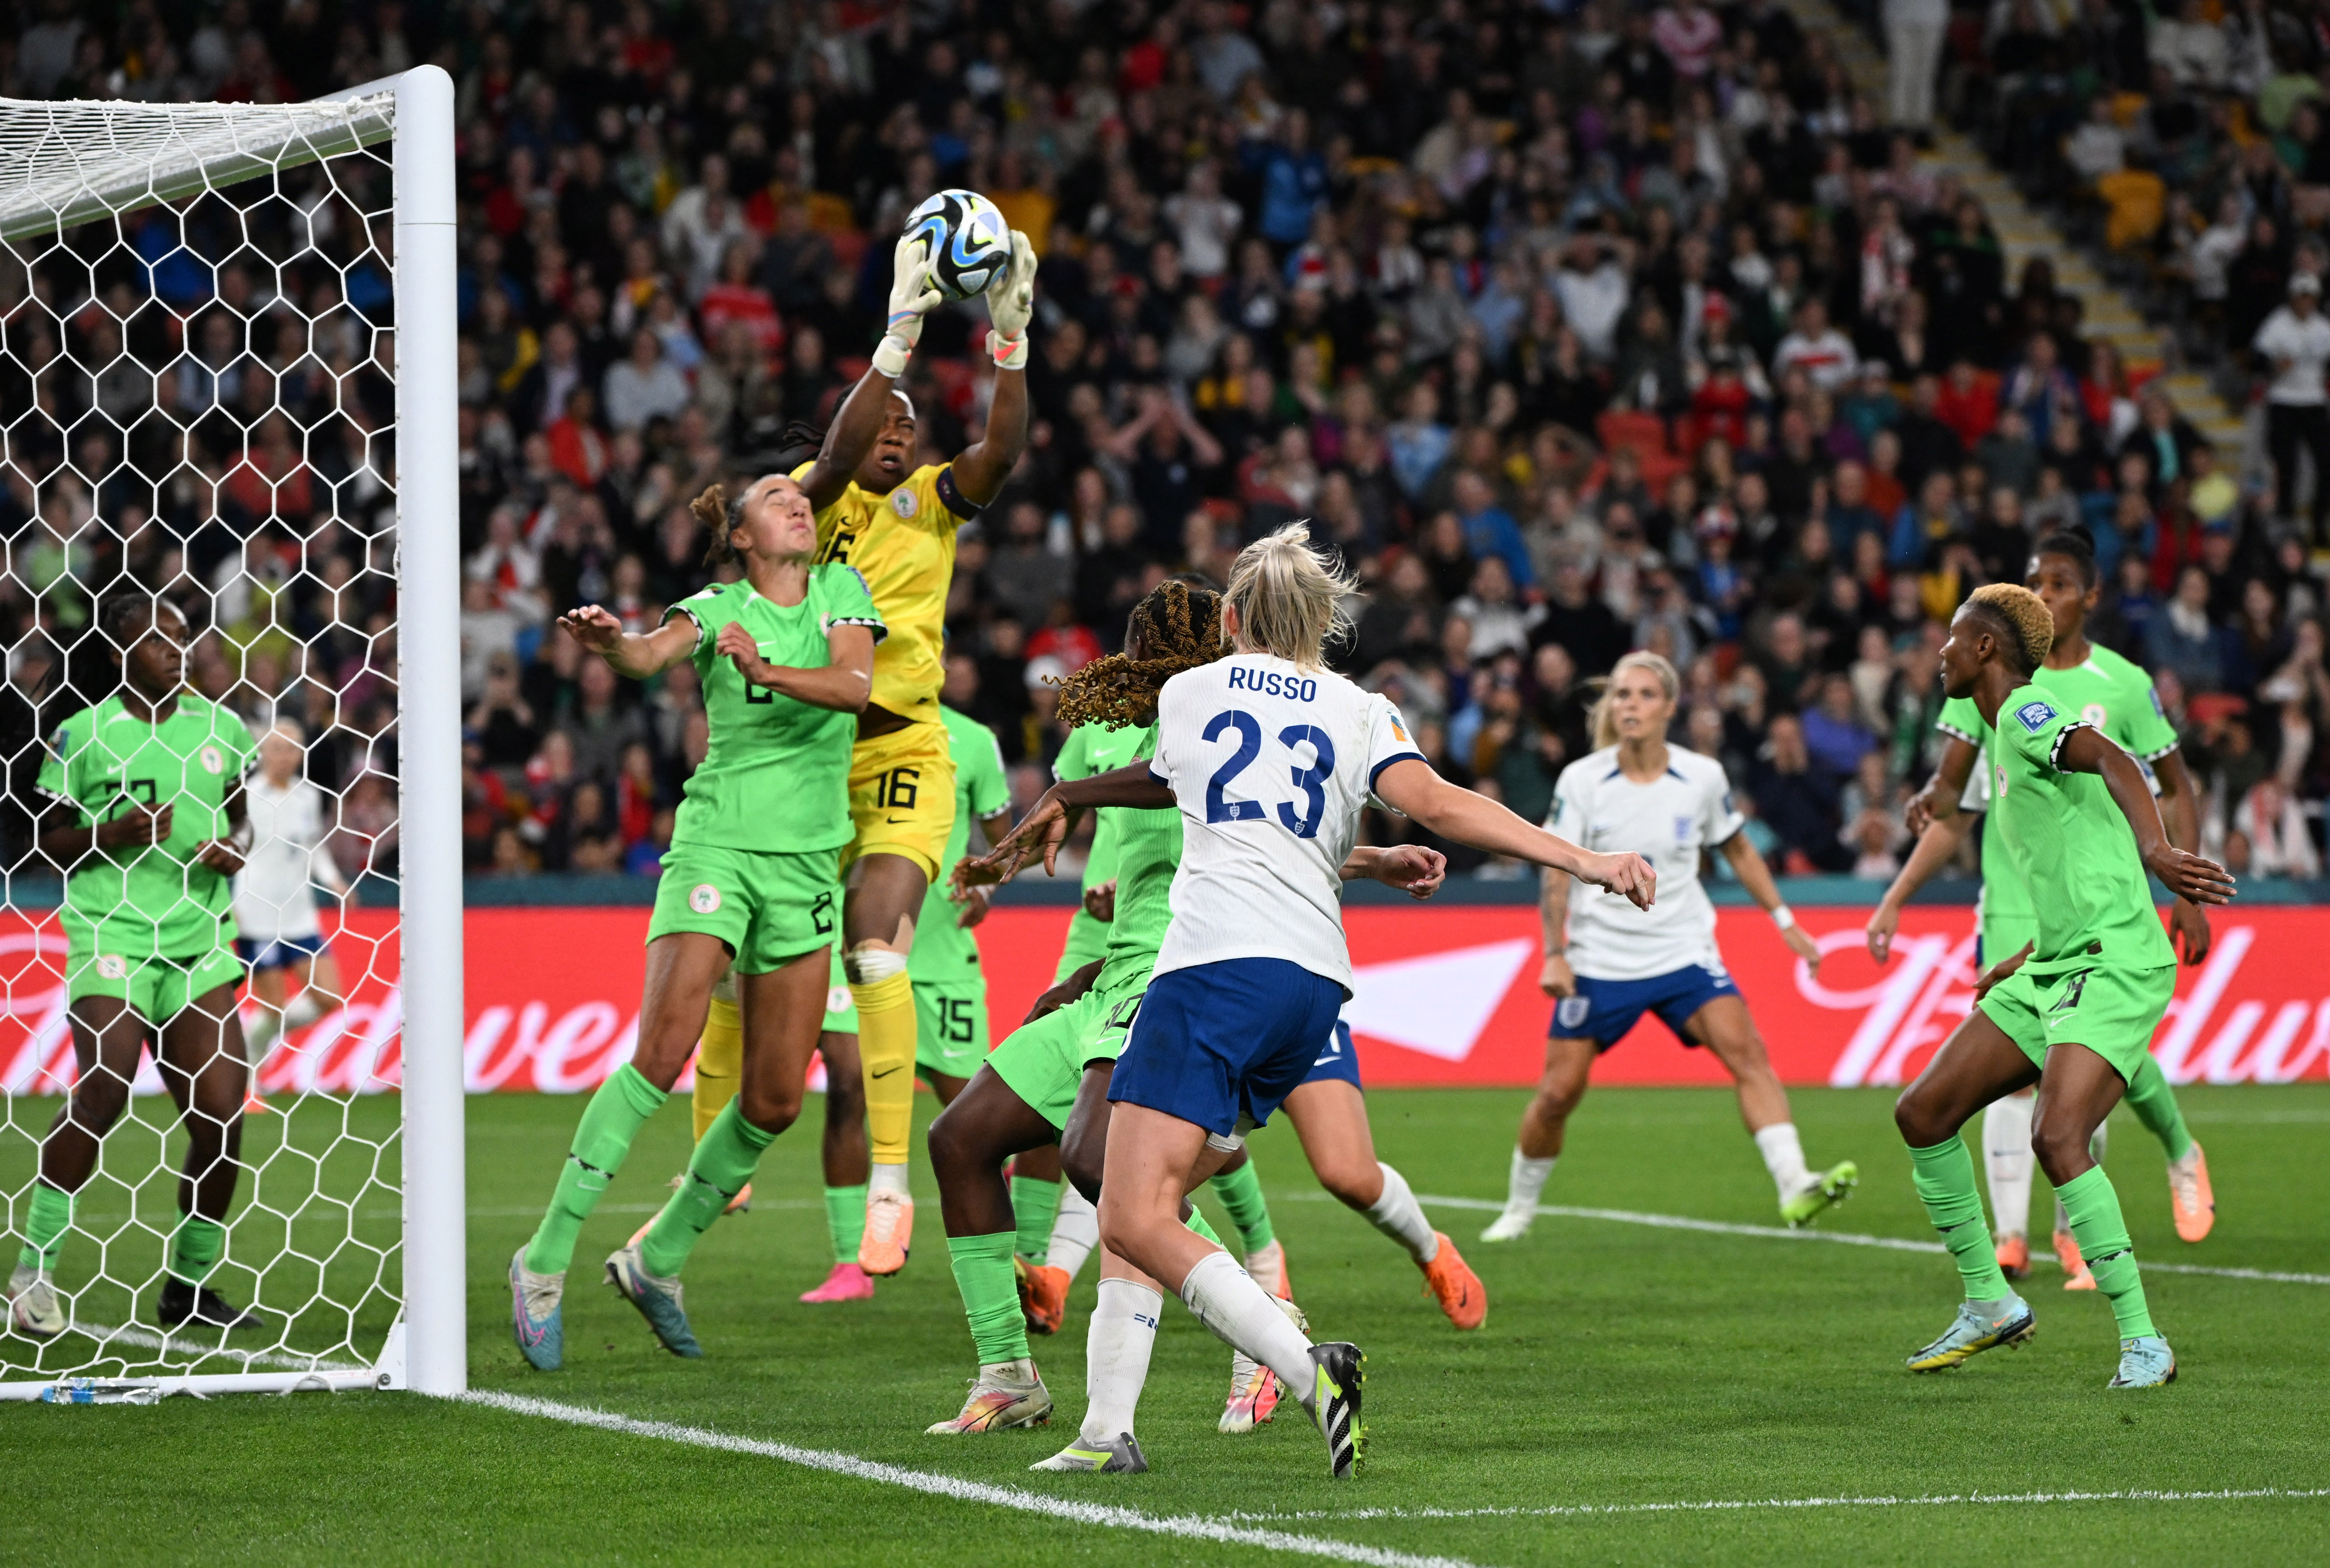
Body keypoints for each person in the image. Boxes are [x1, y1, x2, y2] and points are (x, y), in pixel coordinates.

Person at [976, 526, 1657, 1478]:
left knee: (1130, 1209)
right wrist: (1582, 858)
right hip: (1313, 985)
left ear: (1230, 618)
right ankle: (1106, 1429)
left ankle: (1303, 1366)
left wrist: (1068, 788)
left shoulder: (1187, 691)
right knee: (1148, 1195)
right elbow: (1439, 801)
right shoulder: (1361, 707)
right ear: (1319, 625)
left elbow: (1169, 779)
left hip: (1211, 968)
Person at [925, 578, 1453, 1463]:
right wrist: (1009, 860)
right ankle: (1008, 1374)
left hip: (1174, 971)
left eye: (1149, 644)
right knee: (960, 1138)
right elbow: (1133, 838)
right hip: (1109, 973)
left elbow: (1257, 826)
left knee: (1110, 1171)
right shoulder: (1103, 735)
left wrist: (1364, 861)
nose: (1137, 660)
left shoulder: (1200, 717)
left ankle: (1265, 1330)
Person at [507, 471, 883, 1370]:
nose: (797, 502)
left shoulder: (840, 589)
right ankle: (546, 1257)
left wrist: (767, 670)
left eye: (801, 496)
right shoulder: (717, 605)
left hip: (805, 864)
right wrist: (611, 644)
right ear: (743, 537)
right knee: (663, 1052)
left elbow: (853, 687)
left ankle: (658, 1256)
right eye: (773, 498)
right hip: (717, 849)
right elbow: (651, 652)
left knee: (777, 1098)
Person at [1891, 584, 2234, 1388]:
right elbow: (2075, 855)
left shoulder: (2023, 713)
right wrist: (2028, 956)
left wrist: (2160, 854)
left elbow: (2114, 757)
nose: (1939, 652)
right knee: (1923, 1112)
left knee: (2057, 1137)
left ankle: (2144, 1340)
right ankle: (1989, 1299)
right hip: (2056, 960)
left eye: (1952, 638)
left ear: (1985, 650)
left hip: (2112, 961)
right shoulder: (2004, 733)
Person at [794, 226, 1037, 1276]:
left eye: (907, 424)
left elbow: (1001, 453)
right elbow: (840, 450)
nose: (896, 436)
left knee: (877, 949)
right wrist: (896, 337)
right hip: (803, 763)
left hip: (902, 747)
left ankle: (895, 1199)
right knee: (796, 1054)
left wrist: (1009, 343)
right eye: (881, 423)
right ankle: (710, 1189)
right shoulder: (805, 501)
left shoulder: (929, 500)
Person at [1480, 651, 1859, 1242]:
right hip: (1600, 959)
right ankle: (1519, 1208)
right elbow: (1556, 873)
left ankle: (1794, 1182)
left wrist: (1784, 918)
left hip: (1684, 951)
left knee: (1748, 1053)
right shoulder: (1583, 780)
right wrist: (1554, 950)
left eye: (1645, 694)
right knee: (1557, 1093)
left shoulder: (1702, 775)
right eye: (1623, 694)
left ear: (1670, 706)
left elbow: (1736, 848)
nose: (1630, 704)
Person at [10, 592, 261, 1336]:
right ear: (122, 653)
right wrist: (111, 831)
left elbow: (240, 815)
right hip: (112, 933)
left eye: (183, 637)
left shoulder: (222, 727)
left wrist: (235, 849)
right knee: (106, 1086)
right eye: (159, 640)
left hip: (198, 940)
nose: (178, 650)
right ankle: (34, 1272)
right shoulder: (82, 735)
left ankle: (188, 1287)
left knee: (221, 1117)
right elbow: (41, 843)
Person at [678, 955, 876, 1304]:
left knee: (849, 1080)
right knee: (769, 1096)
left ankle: (851, 1265)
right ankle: (690, 1203)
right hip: (781, 937)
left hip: (833, 933)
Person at [233, 717, 349, 1058]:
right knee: (272, 1005)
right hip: (257, 914)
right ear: (264, 752)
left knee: (328, 998)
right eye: (277, 748)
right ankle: (250, 1080)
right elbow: (233, 851)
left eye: (292, 749)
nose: (285, 756)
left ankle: (253, 1042)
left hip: (299, 914)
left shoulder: (308, 796)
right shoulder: (247, 796)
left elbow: (312, 845)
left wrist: (333, 880)